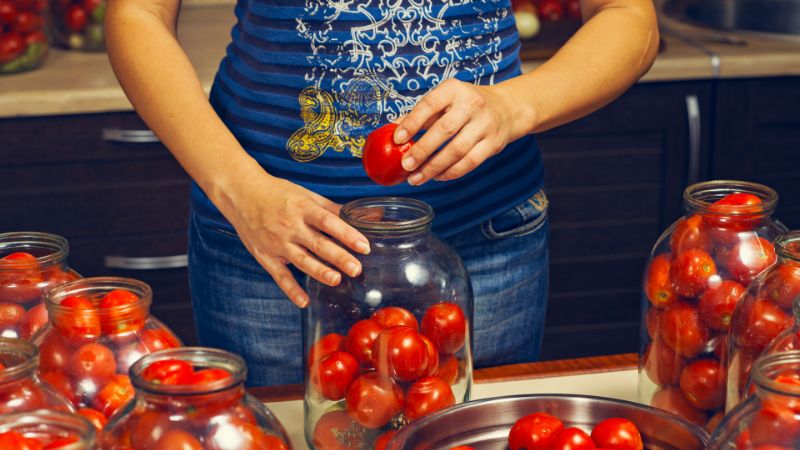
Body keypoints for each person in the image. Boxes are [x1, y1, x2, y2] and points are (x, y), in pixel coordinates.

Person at [106, 0, 658, 386]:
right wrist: (239, 189)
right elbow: (138, 12)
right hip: (270, 250)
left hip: (485, 241)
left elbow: (628, 16)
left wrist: (516, 105)